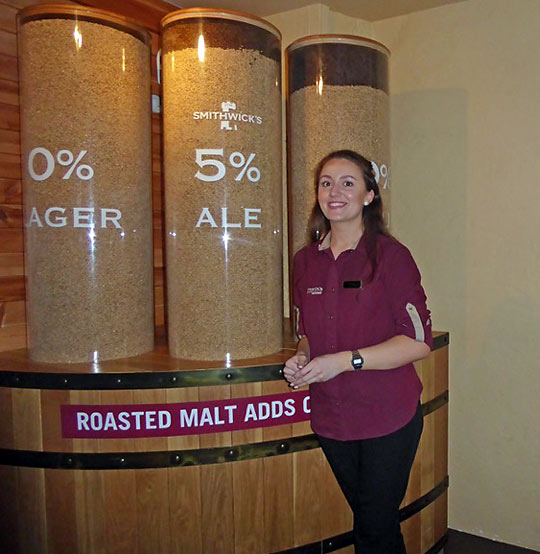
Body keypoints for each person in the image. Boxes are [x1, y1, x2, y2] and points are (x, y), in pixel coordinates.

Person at [284, 150, 432, 554]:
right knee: (374, 525)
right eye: (326, 182)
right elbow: (306, 332)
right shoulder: (304, 262)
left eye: (348, 182)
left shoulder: (390, 256)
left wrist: (346, 361)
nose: (335, 191)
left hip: (388, 417)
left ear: (369, 195)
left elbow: (418, 339)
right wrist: (303, 357)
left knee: (374, 529)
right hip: (332, 419)